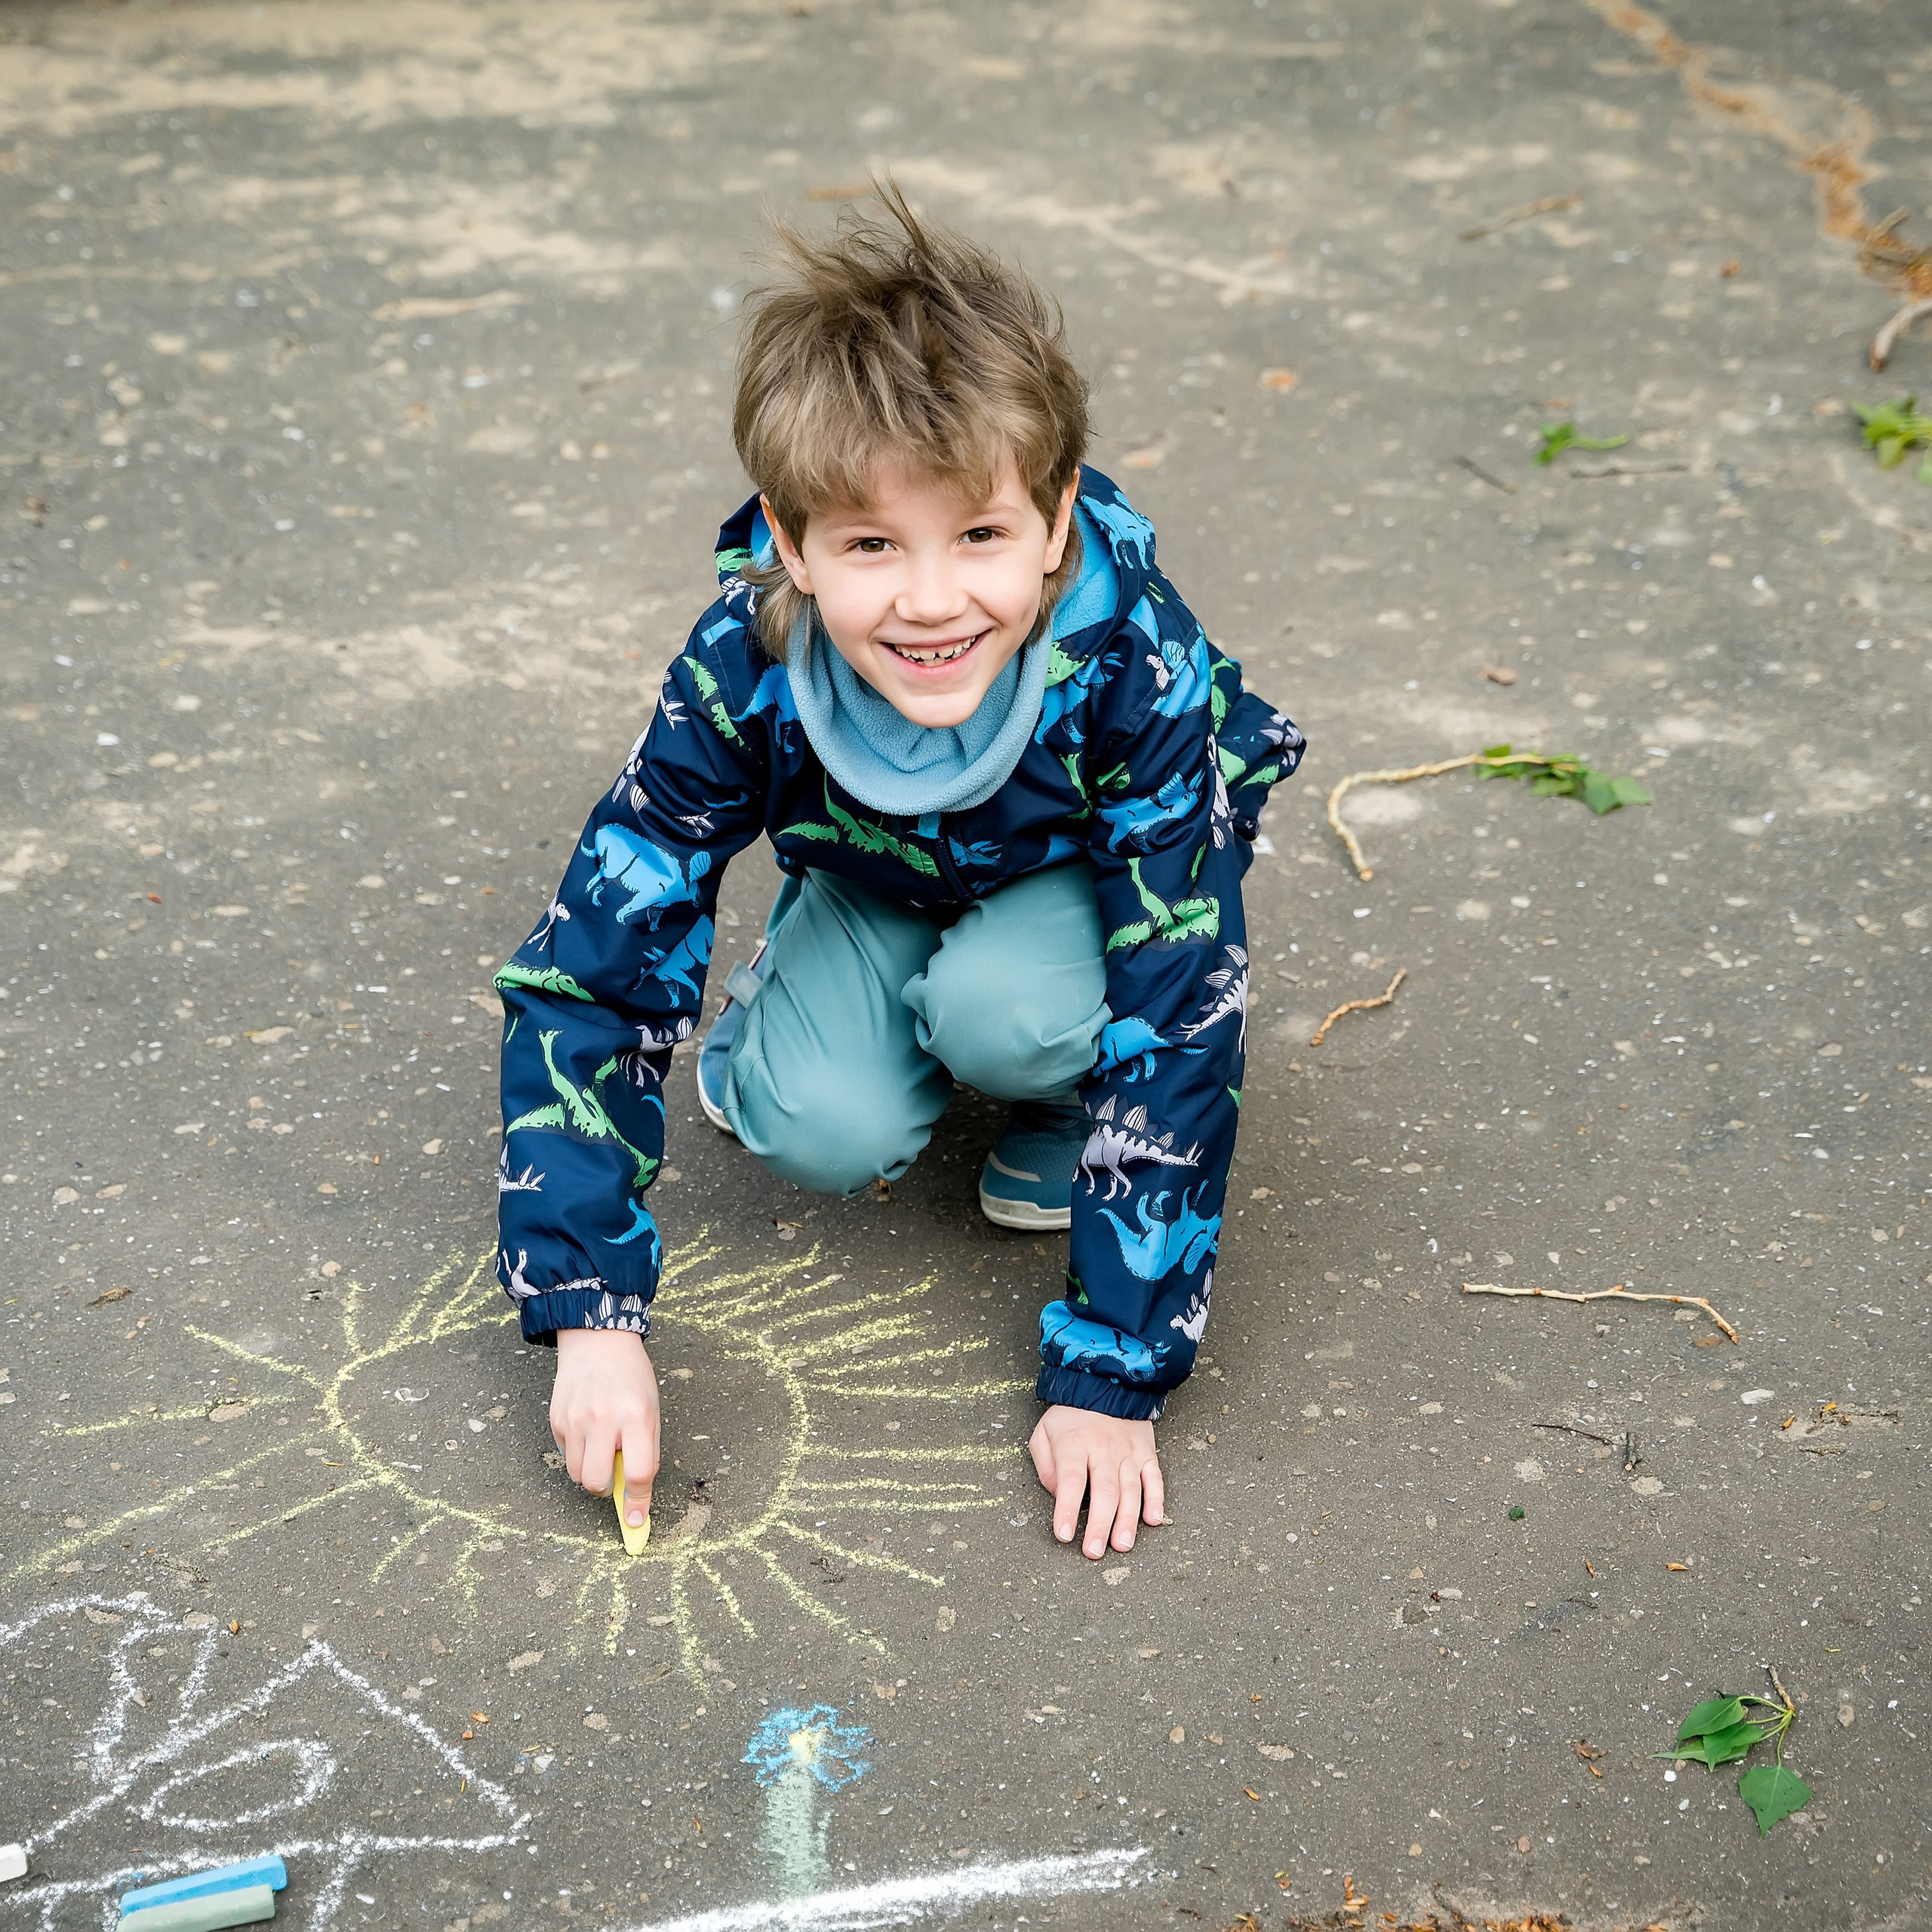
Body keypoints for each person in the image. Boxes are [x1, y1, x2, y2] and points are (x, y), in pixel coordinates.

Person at [495, 187, 1304, 1562]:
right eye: (871, 544)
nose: (931, 601)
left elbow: (1182, 1000)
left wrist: (1114, 1374)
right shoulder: (744, 666)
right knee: (815, 1124)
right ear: (791, 541)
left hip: (1077, 887)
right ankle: (814, 976)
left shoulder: (1135, 663)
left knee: (1012, 1012)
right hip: (877, 872)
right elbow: (592, 969)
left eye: (980, 535)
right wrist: (590, 1316)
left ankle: (1055, 1104)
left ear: (1055, 519)